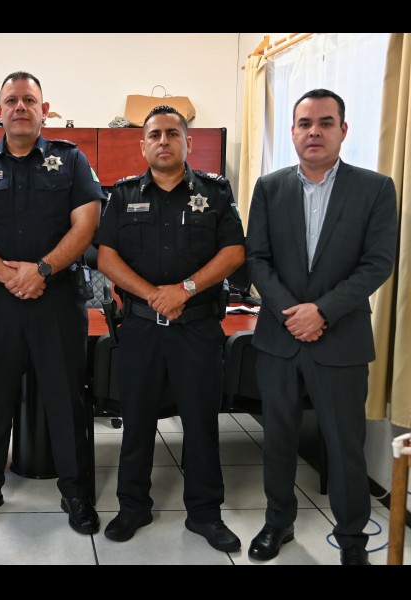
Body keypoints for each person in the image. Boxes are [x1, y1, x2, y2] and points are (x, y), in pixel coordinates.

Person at [0, 71, 103, 534]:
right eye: (11, 100)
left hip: (57, 300)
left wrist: (42, 270)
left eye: (29, 100)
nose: (20, 107)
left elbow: (87, 223)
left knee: (66, 398)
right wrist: (9, 275)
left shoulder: (70, 160)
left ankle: (76, 492)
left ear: (44, 110)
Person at [245, 89, 397, 566]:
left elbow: (378, 262)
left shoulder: (375, 188)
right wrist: (294, 312)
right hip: (279, 338)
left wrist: (323, 312)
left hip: (342, 340)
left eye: (326, 123)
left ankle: (352, 539)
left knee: (345, 446)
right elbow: (257, 259)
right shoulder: (269, 188)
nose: (314, 131)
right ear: (292, 132)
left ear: (343, 130)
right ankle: (278, 522)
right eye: (305, 123)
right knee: (278, 440)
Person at [95, 105, 245, 552]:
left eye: (172, 134)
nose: (164, 141)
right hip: (142, 328)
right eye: (155, 134)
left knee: (200, 423)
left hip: (197, 329)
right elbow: (106, 257)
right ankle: (132, 506)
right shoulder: (123, 195)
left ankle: (205, 513)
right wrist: (153, 294)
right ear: (143, 145)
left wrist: (184, 290)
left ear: (187, 143)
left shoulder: (215, 192)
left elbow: (234, 251)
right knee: (137, 420)